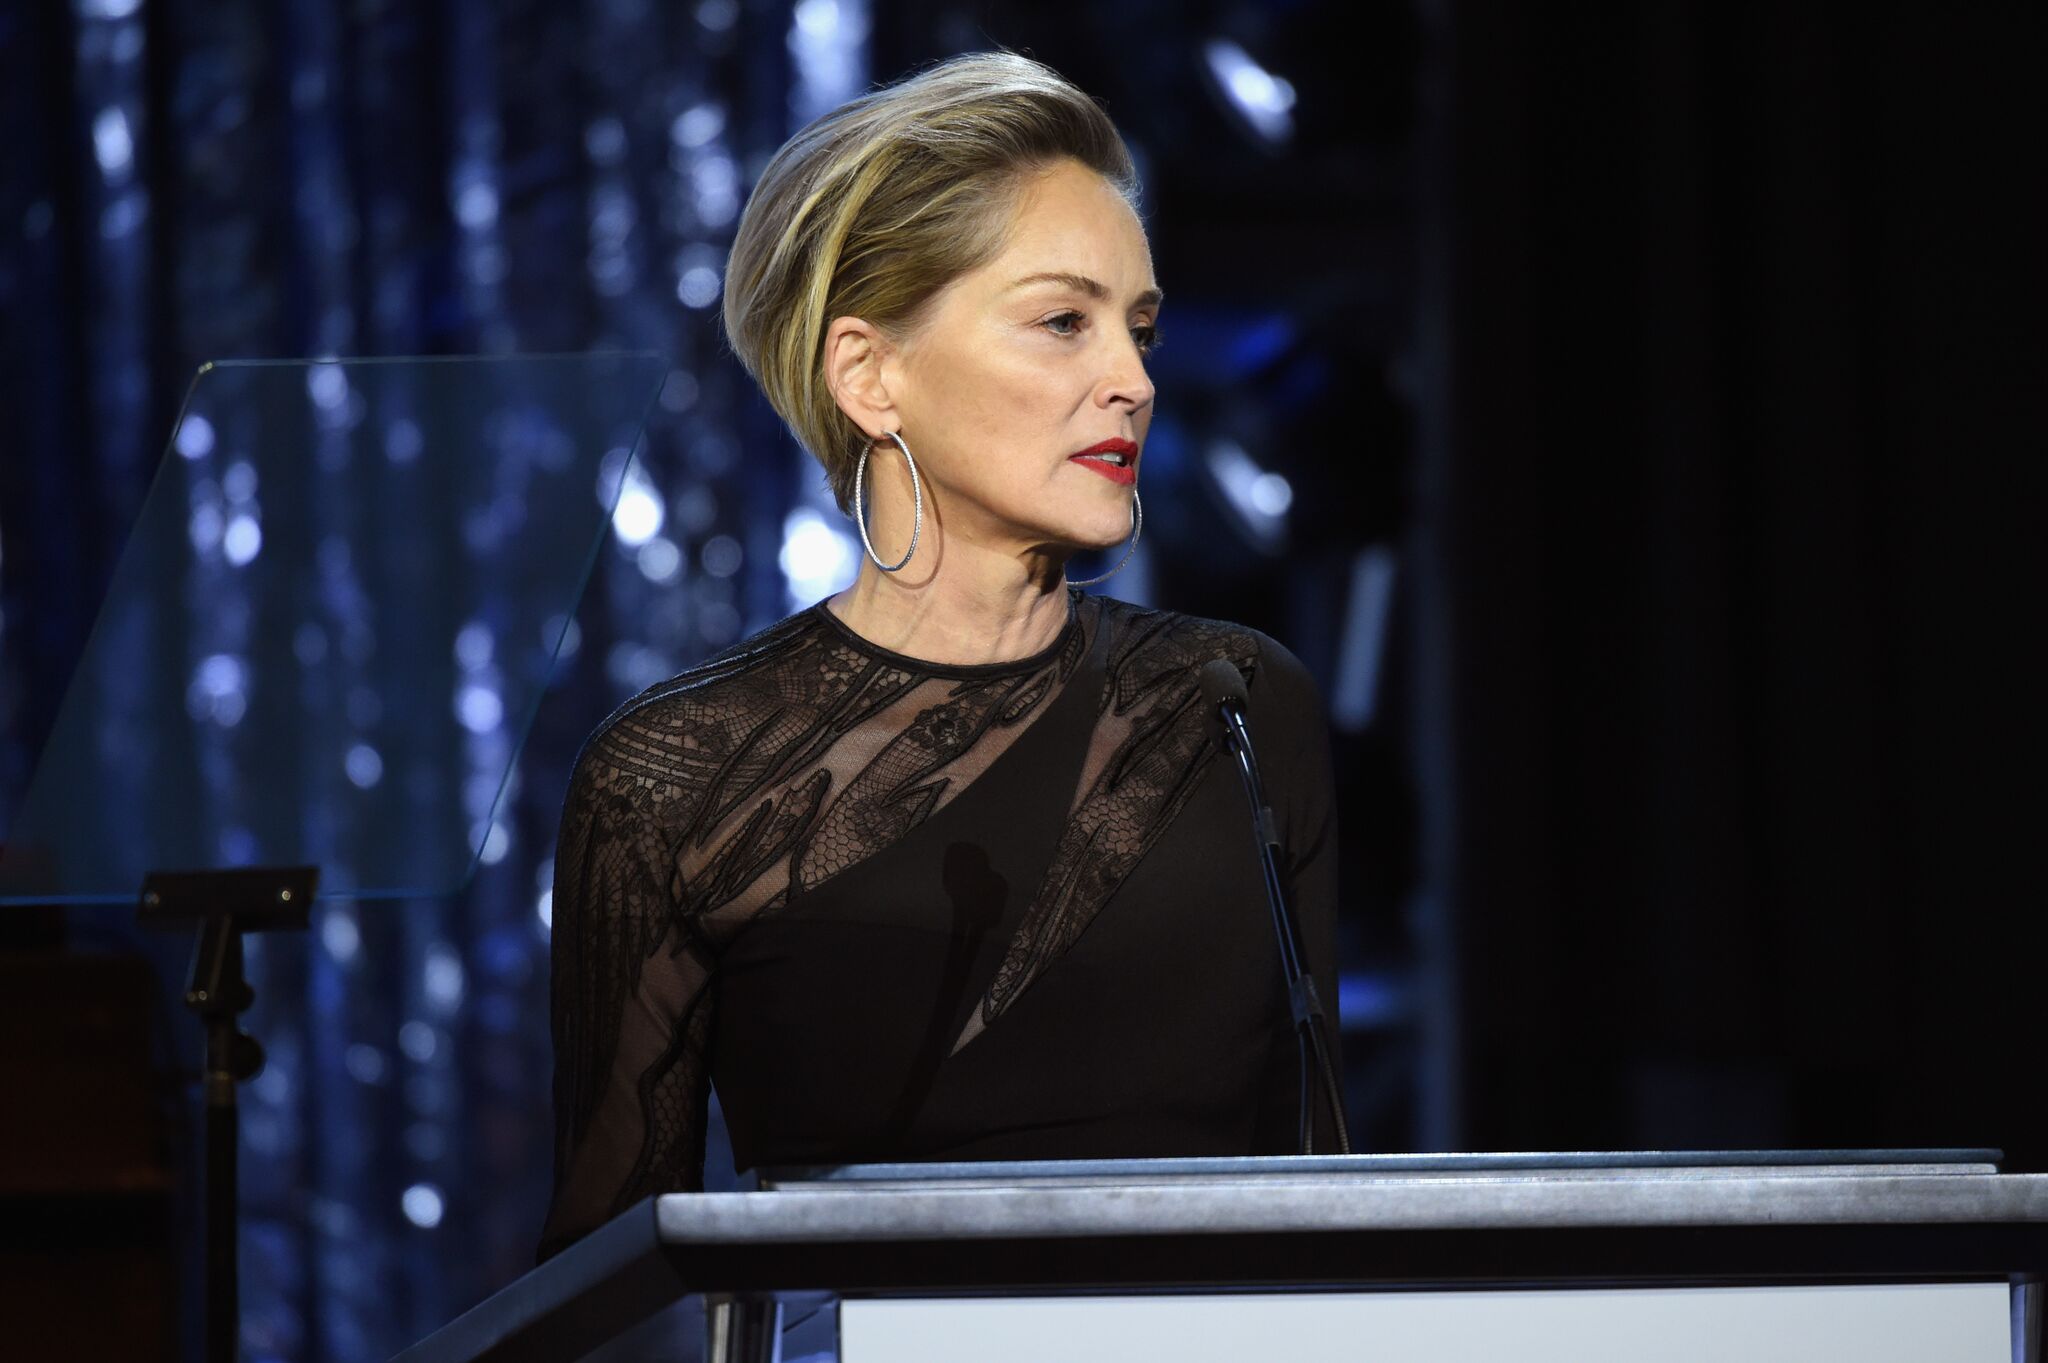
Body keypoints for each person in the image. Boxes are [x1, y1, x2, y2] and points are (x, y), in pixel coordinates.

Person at [537, 49, 1340, 1263]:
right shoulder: (677, 777)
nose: (1129, 381)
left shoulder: (1231, 709)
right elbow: (601, 1280)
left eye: (1138, 331)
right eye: (1061, 323)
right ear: (870, 375)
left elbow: (1325, 1196)